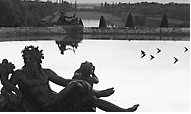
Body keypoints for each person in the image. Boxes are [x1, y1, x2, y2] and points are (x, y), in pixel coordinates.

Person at [8, 45, 139, 112]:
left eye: (32, 61)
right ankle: (100, 93)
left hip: (56, 100)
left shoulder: (46, 72)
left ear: (38, 61)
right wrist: (15, 95)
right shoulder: (19, 75)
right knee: (75, 85)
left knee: (90, 100)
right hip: (46, 107)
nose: (29, 63)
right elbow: (6, 88)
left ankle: (123, 111)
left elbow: (64, 82)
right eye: (27, 60)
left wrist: (81, 82)